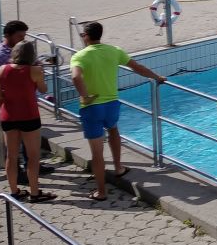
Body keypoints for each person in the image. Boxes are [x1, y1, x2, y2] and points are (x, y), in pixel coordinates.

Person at [70, 21, 167, 201]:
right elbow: (137, 67)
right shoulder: (114, 51)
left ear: (86, 36)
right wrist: (157, 77)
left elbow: (76, 77)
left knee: (97, 153)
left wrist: (84, 96)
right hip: (111, 104)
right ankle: (118, 167)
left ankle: (101, 192)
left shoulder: (80, 56)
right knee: (113, 130)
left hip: (92, 108)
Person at [0, 20, 54, 182]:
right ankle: (19, 175)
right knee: (12, 148)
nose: (23, 39)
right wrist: (5, 108)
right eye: (20, 36)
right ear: (8, 36)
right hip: (12, 110)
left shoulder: (23, 51)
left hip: (28, 106)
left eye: (24, 36)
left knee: (29, 145)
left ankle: (31, 167)